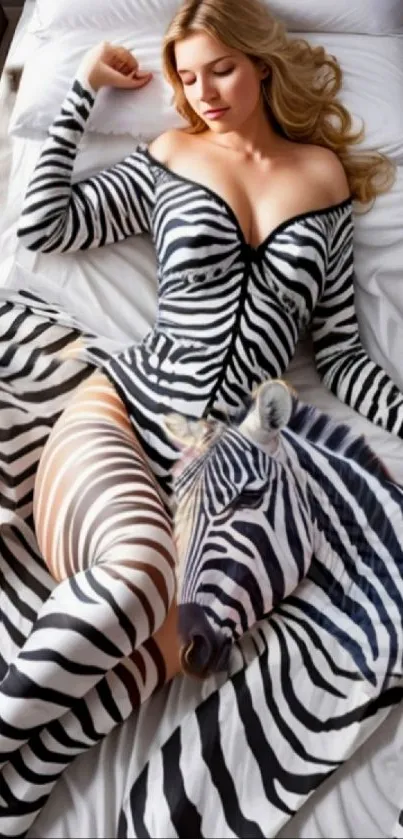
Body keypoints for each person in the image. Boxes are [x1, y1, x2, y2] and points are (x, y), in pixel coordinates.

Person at [15, 0, 403, 717]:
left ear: (259, 63)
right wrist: (80, 89)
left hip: (230, 472)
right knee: (133, 578)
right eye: (188, 80)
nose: (205, 95)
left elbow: (342, 353)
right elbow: (45, 225)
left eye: (220, 71)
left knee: (176, 647)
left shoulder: (323, 177)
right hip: (126, 415)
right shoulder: (170, 157)